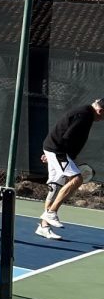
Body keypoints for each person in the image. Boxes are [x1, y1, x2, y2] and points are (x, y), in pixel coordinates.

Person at [35, 98, 104, 240]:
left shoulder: (85, 112)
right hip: (59, 150)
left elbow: (62, 130)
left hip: (54, 149)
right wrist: (56, 155)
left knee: (54, 187)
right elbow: (68, 137)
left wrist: (50, 153)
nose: (103, 119)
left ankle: (44, 226)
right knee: (77, 179)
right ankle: (51, 212)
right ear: (100, 111)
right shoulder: (84, 115)